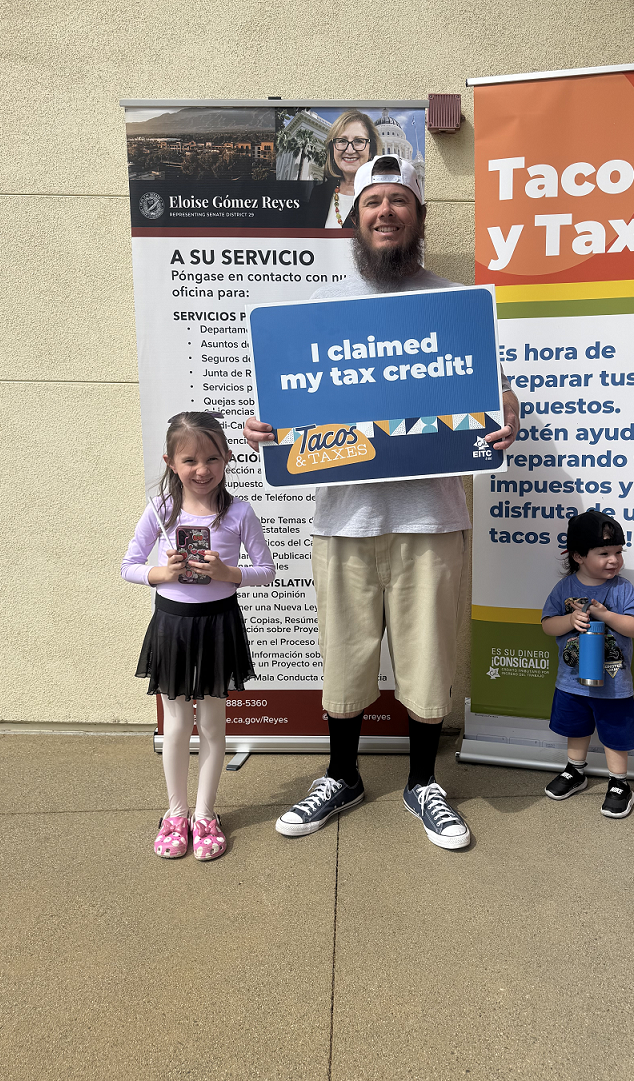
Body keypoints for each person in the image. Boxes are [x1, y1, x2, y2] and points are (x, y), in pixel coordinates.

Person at [244, 154, 520, 850]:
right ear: (353, 217)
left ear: (419, 217)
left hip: (432, 517)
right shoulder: (318, 311)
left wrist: (508, 410)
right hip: (343, 519)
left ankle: (423, 783)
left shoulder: (455, 304)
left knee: (428, 659)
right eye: (374, 202)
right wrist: (265, 430)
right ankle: (342, 775)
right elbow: (286, 406)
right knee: (344, 656)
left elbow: (492, 389)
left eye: (399, 201)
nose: (386, 213)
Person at [122, 411, 275, 860]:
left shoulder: (239, 512)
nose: (202, 469)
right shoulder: (160, 510)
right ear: (171, 462)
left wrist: (229, 573)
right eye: (189, 460)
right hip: (172, 625)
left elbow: (266, 570)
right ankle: (176, 813)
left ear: (227, 457)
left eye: (212, 458)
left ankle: (205, 814)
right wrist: (160, 573)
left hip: (218, 624)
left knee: (211, 724)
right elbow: (128, 565)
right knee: (174, 725)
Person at [541, 510, 634, 819]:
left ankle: (619, 782)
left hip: (615, 685)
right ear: (578, 556)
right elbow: (547, 625)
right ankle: (575, 770)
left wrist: (606, 615)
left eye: (618, 552)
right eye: (604, 553)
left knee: (615, 733)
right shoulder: (564, 589)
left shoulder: (622, 589)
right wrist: (569, 620)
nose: (614, 560)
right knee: (576, 729)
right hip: (571, 682)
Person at [304, 110, 382, 227]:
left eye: (359, 141)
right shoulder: (319, 193)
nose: (349, 150)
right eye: (341, 141)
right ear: (333, 149)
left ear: (371, 151)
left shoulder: (383, 196)